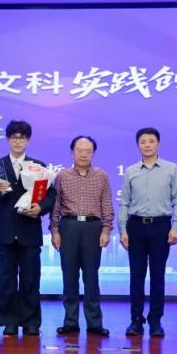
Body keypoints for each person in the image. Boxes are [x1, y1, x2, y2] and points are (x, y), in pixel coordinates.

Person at [0, 120, 55, 337]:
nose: (18, 141)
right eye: (14, 137)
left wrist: (40, 208)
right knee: (7, 278)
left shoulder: (38, 165)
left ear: (28, 141)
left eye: (22, 138)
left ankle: (31, 322)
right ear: (8, 140)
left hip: (30, 229)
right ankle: (9, 321)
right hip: (6, 230)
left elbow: (50, 194)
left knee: (30, 278)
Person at [119, 127, 177, 338]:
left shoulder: (171, 168)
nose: (147, 145)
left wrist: (176, 227)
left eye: (151, 141)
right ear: (138, 145)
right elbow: (124, 202)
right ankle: (136, 321)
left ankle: (155, 321)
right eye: (143, 141)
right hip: (136, 226)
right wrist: (122, 229)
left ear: (158, 144)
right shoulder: (131, 171)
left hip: (160, 227)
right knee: (136, 277)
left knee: (158, 276)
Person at [50, 135, 114, 337]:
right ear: (72, 152)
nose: (84, 154)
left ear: (93, 153)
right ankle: (70, 321)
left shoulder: (102, 176)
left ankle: (95, 323)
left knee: (91, 277)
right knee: (69, 277)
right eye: (80, 150)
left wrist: (106, 230)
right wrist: (54, 231)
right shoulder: (62, 176)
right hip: (68, 226)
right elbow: (55, 206)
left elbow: (107, 205)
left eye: (88, 151)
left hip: (93, 228)